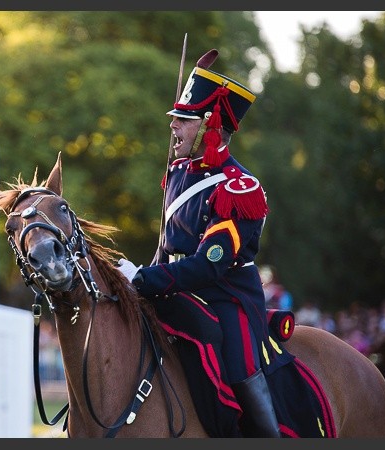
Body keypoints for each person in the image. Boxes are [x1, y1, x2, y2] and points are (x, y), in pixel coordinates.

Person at [117, 49, 279, 437]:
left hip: (225, 295)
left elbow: (209, 266)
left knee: (238, 365)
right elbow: (167, 246)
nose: (173, 128)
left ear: (209, 126)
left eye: (183, 121)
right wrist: (136, 277)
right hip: (174, 290)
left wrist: (144, 280)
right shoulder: (177, 172)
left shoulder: (237, 188)